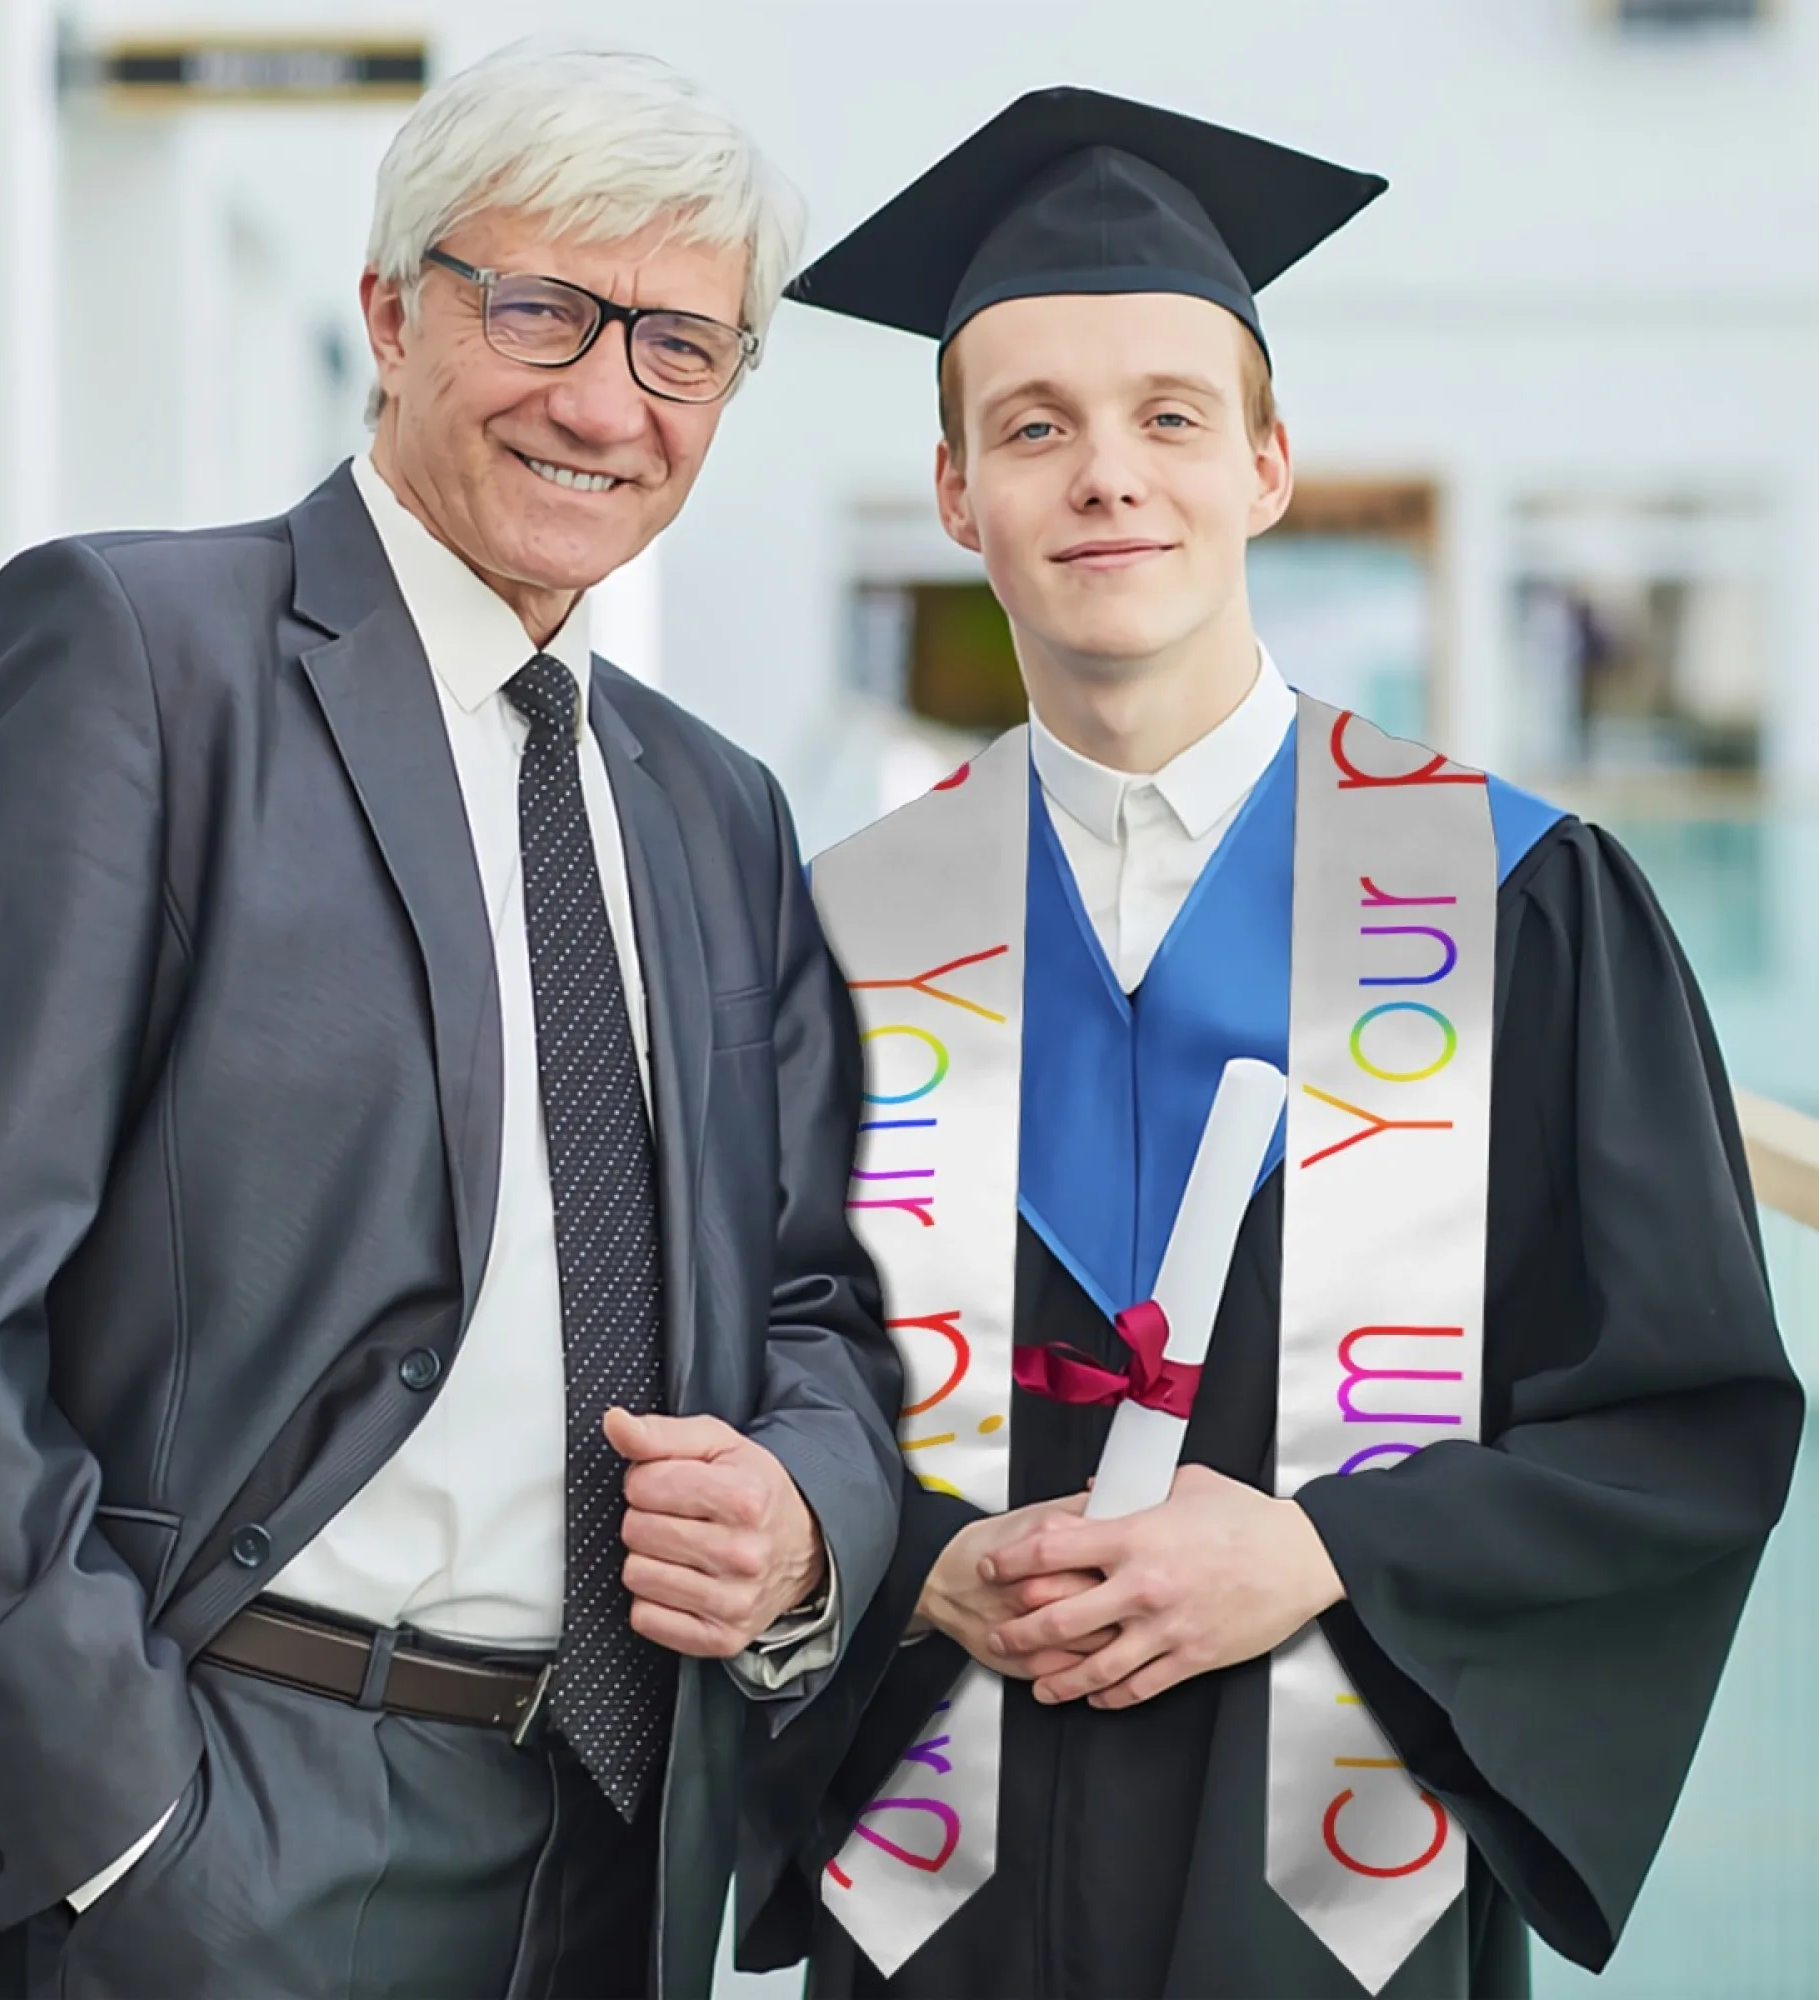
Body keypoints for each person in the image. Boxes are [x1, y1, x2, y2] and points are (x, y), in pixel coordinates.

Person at [0, 43, 901, 2000]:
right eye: (541, 308)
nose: (601, 399)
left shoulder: (715, 805)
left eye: (678, 346)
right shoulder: (142, 665)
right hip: (217, 1809)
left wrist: (804, 1515)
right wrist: (122, 1833)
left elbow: (817, 1292)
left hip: (605, 1837)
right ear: (390, 314)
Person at [736, 87, 1803, 2000]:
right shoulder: (832, 936)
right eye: (1034, 427)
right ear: (959, 492)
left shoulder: (1519, 902)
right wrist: (912, 1570)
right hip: (936, 1892)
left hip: (1334, 1896)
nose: (1105, 476)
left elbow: (1682, 1424)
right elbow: (739, 1390)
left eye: (1167, 416)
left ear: (1269, 465)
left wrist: (1325, 1556)